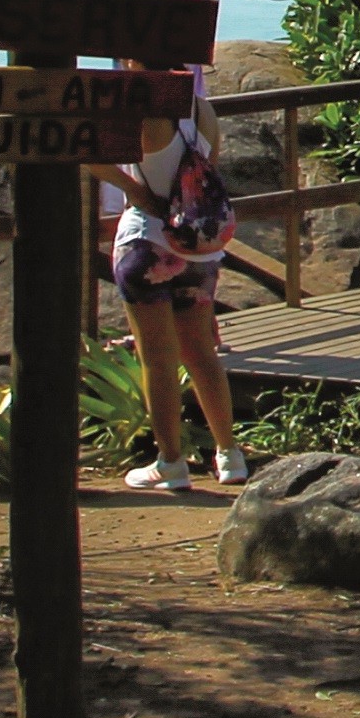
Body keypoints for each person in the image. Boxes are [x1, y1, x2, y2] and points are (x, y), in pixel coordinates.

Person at [99, 60, 250, 492]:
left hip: (145, 241)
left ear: (134, 64)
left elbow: (90, 154)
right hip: (198, 249)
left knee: (157, 358)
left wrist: (135, 191)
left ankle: (170, 461)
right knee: (201, 352)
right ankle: (229, 456)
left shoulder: (139, 111)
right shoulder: (203, 109)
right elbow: (207, 172)